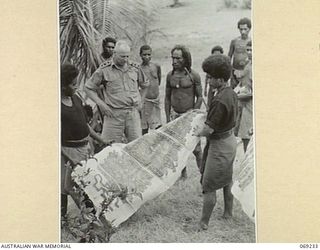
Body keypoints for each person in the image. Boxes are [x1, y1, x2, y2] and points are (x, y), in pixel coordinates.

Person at [193, 54, 238, 230]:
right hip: (229, 140)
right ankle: (228, 213)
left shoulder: (219, 100)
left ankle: (203, 223)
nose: (208, 80)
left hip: (220, 145)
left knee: (209, 184)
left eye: (210, 77)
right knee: (227, 179)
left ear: (220, 79)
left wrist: (196, 131)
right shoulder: (230, 92)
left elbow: (208, 129)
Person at [61, 64, 111, 217]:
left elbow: (85, 125)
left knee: (77, 184)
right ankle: (86, 215)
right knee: (68, 186)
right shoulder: (56, 106)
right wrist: (65, 154)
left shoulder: (75, 98)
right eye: (73, 84)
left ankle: (92, 214)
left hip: (84, 148)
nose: (77, 87)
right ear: (62, 86)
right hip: (68, 151)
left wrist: (101, 140)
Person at [85, 40, 149, 143]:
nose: (126, 59)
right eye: (122, 56)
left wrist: (141, 101)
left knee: (136, 146)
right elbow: (88, 88)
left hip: (132, 113)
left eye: (127, 56)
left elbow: (145, 85)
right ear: (114, 54)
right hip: (113, 115)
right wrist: (101, 104)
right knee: (109, 147)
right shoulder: (104, 69)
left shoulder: (135, 68)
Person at [165, 45, 203, 178]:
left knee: (197, 149)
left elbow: (200, 97)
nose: (174, 61)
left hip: (190, 116)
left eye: (178, 58)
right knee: (178, 147)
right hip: (175, 115)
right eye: (173, 58)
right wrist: (168, 118)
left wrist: (192, 114)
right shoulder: (170, 75)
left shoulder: (194, 76)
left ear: (185, 59)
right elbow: (167, 98)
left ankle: (203, 174)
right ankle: (183, 175)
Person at [139, 45, 162, 134]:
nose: (147, 57)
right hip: (145, 101)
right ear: (140, 55)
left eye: (149, 54)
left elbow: (158, 81)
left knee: (158, 126)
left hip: (156, 100)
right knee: (144, 127)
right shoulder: (139, 68)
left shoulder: (156, 66)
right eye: (144, 55)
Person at [235, 41, 253, 152]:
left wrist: (239, 96)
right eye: (248, 50)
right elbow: (244, 84)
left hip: (251, 105)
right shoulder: (248, 64)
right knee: (245, 138)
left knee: (249, 137)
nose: (250, 52)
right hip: (244, 104)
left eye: (252, 50)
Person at [228, 18, 251, 90]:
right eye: (241, 29)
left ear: (249, 29)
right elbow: (229, 56)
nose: (243, 32)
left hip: (246, 72)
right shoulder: (234, 41)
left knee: (246, 92)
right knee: (234, 92)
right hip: (235, 72)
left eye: (245, 29)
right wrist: (230, 72)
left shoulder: (252, 42)